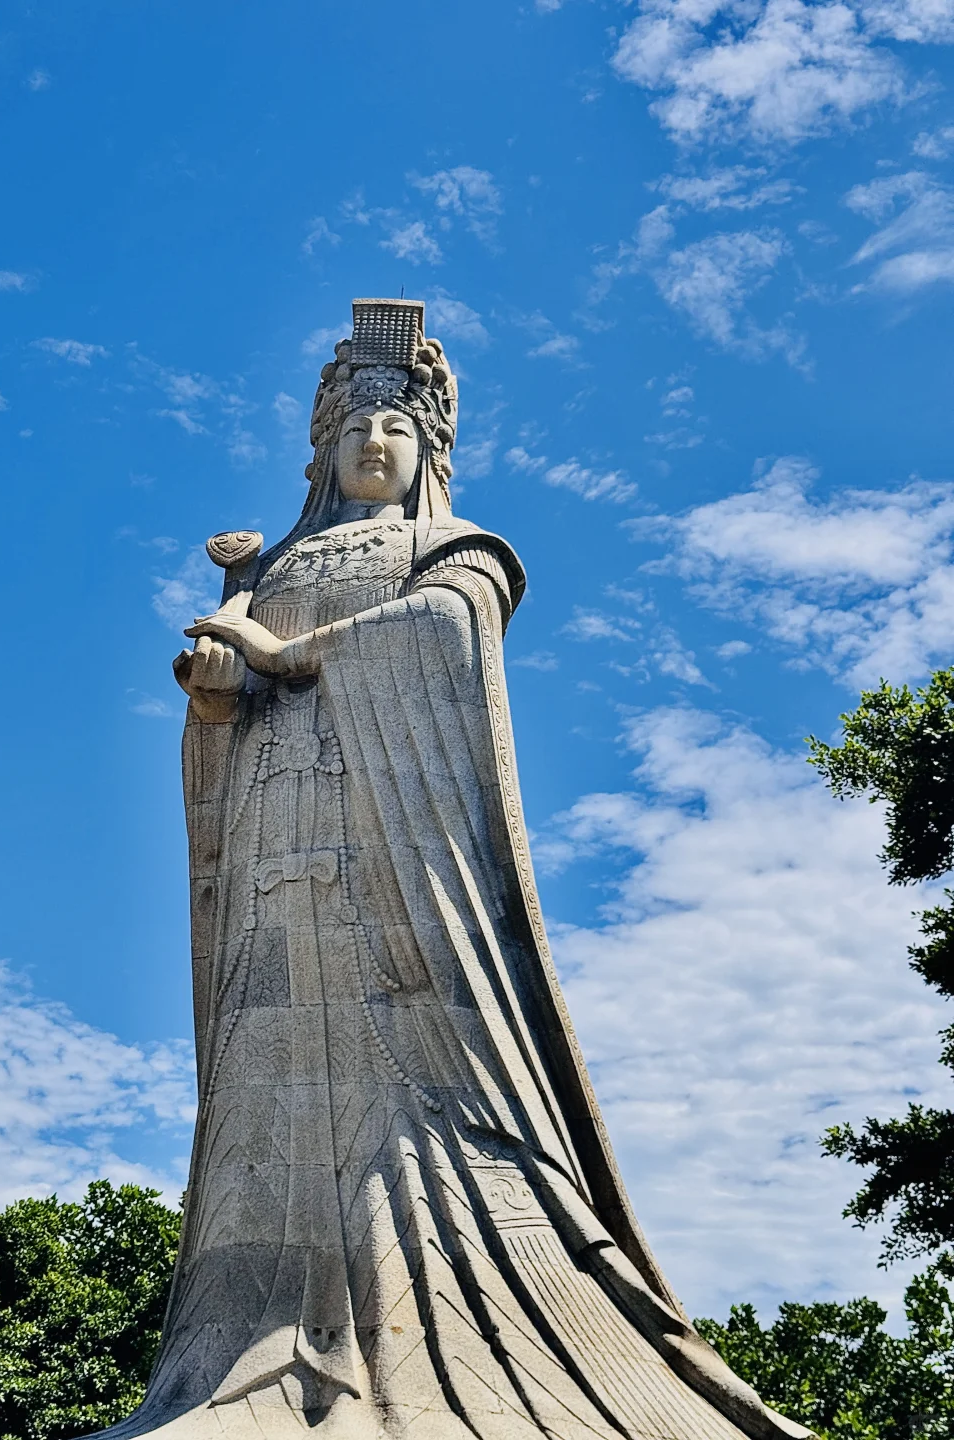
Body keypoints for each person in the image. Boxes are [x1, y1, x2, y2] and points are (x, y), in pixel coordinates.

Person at [94, 300, 812, 1440]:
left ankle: (469, 1351)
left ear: (429, 450)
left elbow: (441, 633)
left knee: (426, 1080)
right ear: (320, 450)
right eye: (354, 429)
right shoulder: (276, 562)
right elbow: (227, 690)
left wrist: (292, 654)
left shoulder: (453, 547)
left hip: (397, 854)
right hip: (278, 843)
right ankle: (249, 1355)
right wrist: (219, 681)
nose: (374, 445)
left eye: (397, 429)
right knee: (259, 1083)